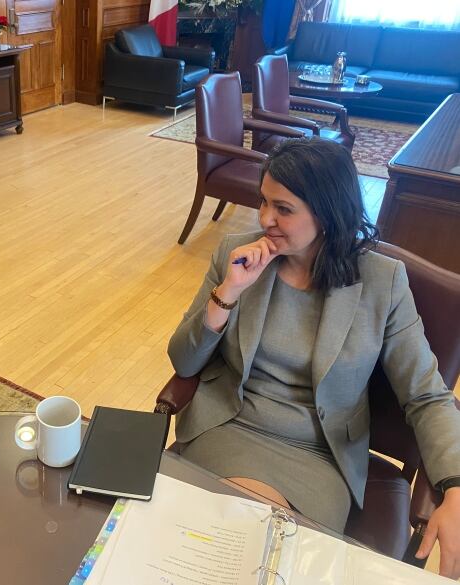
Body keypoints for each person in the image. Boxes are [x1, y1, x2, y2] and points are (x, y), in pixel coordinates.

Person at [167, 137, 460, 578]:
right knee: (197, 549)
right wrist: (225, 295)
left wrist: (454, 487)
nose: (265, 219)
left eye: (283, 209)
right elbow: (184, 364)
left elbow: (426, 395)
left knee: (244, 553)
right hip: (227, 425)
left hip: (318, 454)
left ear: (326, 212)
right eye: (263, 202)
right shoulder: (238, 255)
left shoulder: (383, 283)